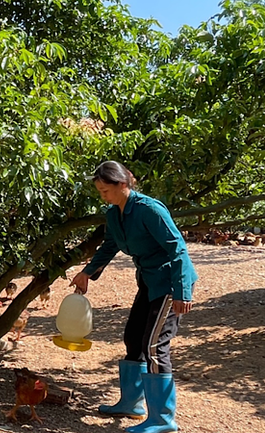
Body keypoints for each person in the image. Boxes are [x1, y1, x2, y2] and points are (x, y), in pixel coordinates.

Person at [69, 161, 197, 433]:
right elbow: (111, 244)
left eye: (106, 190)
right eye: (100, 191)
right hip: (148, 283)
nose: (103, 196)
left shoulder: (150, 210)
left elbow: (179, 250)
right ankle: (131, 404)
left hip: (168, 284)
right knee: (133, 339)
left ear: (122, 184)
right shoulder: (115, 214)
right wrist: (87, 272)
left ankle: (163, 420)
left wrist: (183, 292)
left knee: (153, 346)